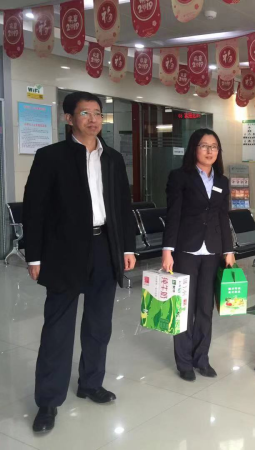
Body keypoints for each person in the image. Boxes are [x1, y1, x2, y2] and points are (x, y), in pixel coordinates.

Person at [23, 91, 136, 433]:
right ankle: (48, 401)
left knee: (99, 324)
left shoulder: (112, 158)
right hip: (63, 252)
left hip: (105, 247)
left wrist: (127, 248)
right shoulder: (51, 157)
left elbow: (123, 206)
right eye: (85, 113)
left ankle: (91, 383)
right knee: (58, 329)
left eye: (98, 113)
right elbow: (35, 209)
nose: (93, 119)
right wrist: (34, 255)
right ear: (69, 118)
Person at [162, 129, 235, 382]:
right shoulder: (179, 177)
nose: (209, 151)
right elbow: (173, 215)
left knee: (205, 307)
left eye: (214, 146)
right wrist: (167, 250)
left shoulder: (222, 181)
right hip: (185, 250)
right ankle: (184, 362)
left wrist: (228, 250)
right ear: (194, 148)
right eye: (204, 146)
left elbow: (223, 217)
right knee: (183, 307)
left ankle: (201, 358)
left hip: (212, 251)